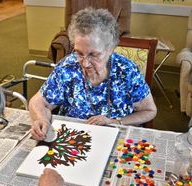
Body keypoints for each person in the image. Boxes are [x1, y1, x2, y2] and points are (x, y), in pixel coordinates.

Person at [29, 8, 157, 141]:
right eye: (79, 53)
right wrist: (41, 119)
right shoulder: (67, 67)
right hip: (73, 140)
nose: (85, 63)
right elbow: (37, 102)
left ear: (110, 49)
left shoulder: (126, 71)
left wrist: (116, 122)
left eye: (93, 54)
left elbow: (149, 111)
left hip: (115, 138)